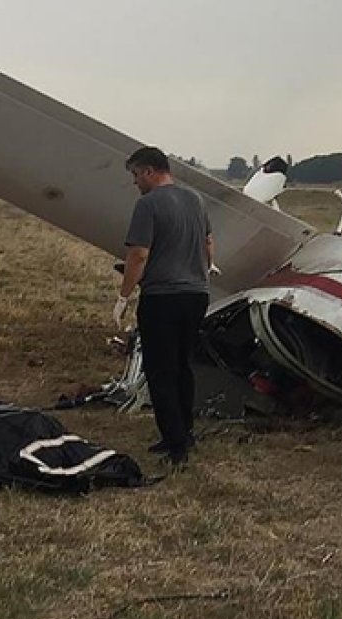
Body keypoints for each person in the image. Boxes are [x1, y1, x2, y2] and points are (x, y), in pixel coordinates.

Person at [118, 146, 214, 465]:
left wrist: (123, 295)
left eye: (135, 175)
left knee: (160, 370)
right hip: (197, 294)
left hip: (162, 297)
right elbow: (208, 243)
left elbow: (139, 254)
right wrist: (202, 270)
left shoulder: (147, 205)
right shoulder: (195, 200)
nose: (135, 183)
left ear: (148, 171)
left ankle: (175, 446)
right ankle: (184, 433)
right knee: (183, 366)